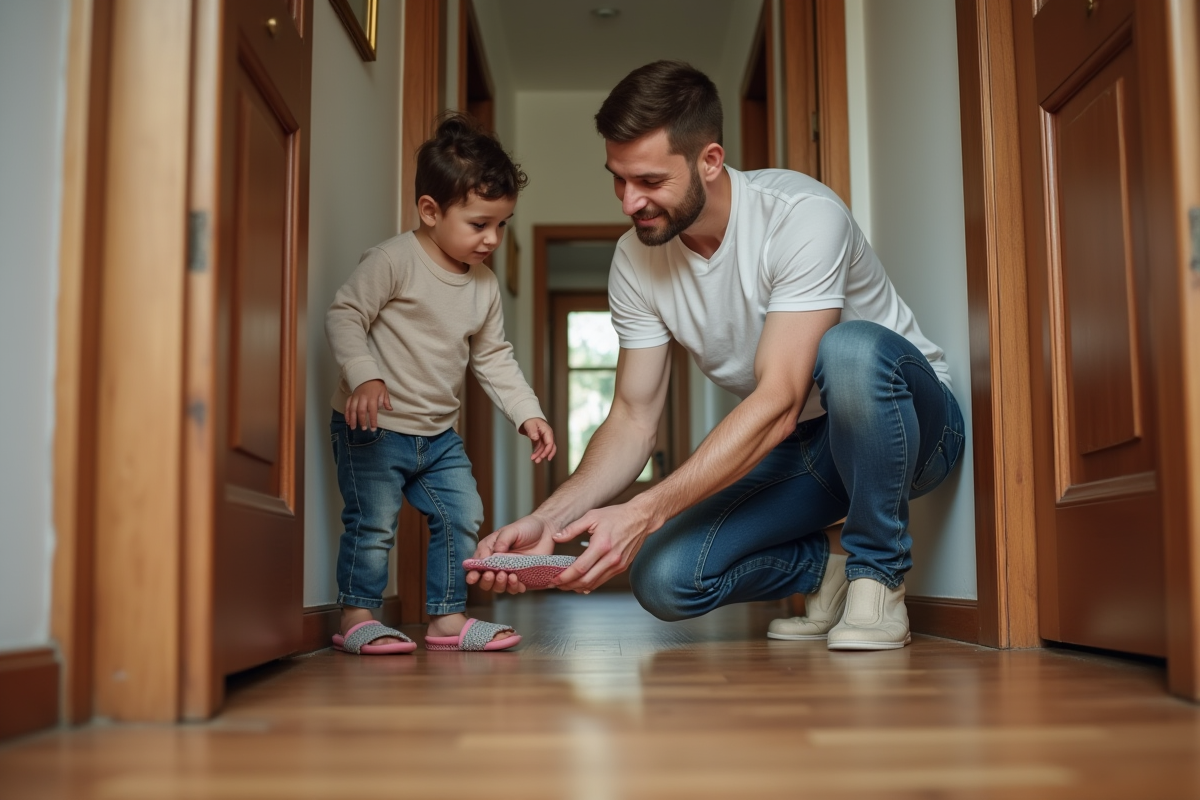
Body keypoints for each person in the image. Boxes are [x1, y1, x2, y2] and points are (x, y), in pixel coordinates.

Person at [466, 61, 964, 651]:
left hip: (911, 429)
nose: (629, 202)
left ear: (710, 160)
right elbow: (632, 418)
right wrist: (548, 520)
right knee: (663, 578)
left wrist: (645, 511)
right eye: (618, 179)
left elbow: (779, 399)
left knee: (849, 349)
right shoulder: (635, 261)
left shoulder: (801, 216)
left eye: (649, 181)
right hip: (812, 448)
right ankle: (824, 573)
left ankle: (875, 575)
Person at [325, 114, 556, 654]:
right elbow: (344, 315)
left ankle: (447, 619)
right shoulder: (393, 261)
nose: (492, 239)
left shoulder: (484, 286)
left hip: (439, 435)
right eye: (479, 224)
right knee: (373, 523)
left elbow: (494, 357)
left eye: (502, 225)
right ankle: (358, 616)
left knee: (461, 514)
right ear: (430, 211)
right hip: (373, 427)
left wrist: (528, 411)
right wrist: (366, 375)